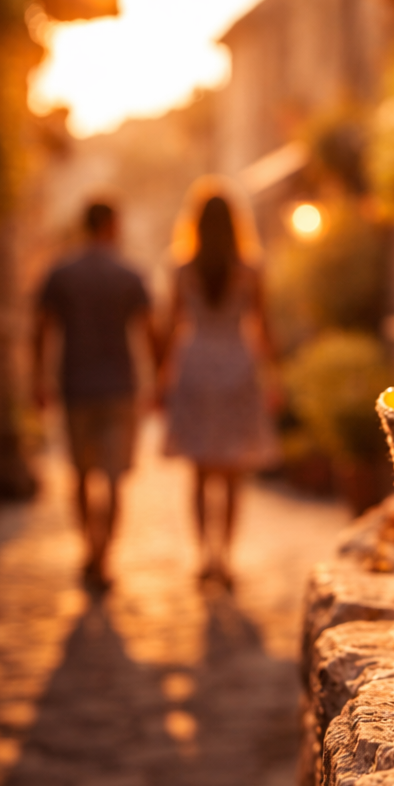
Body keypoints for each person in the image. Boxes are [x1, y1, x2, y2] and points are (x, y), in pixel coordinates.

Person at [33, 202, 156, 592]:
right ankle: (103, 556)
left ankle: (90, 548)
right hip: (120, 387)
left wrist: (38, 379)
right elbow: (150, 332)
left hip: (75, 385)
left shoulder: (61, 272)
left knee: (81, 476)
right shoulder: (128, 274)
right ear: (112, 225)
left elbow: (41, 329)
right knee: (115, 478)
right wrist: (159, 380)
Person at [159, 191, 276, 588]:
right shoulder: (250, 268)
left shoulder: (181, 268)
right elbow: (262, 326)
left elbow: (171, 326)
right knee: (231, 473)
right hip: (236, 367)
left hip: (194, 368)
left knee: (199, 470)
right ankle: (225, 558)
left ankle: (203, 557)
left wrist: (162, 376)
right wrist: (273, 375)